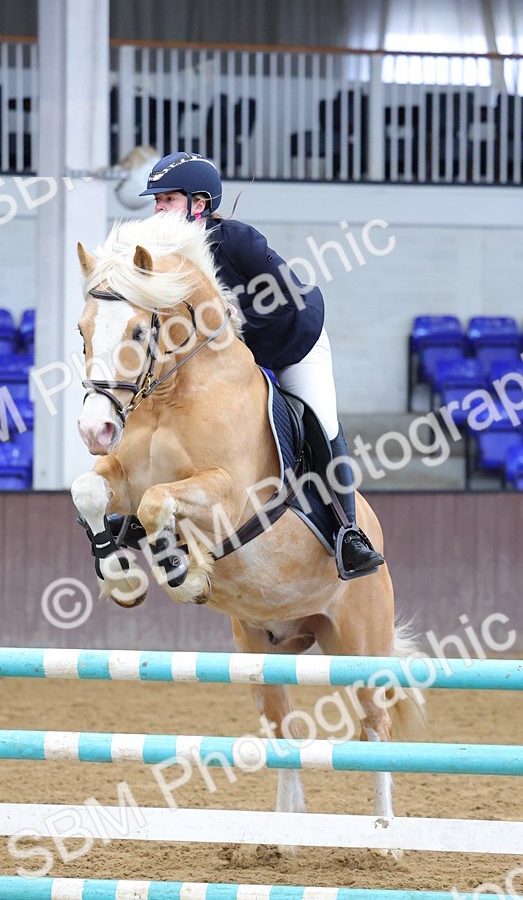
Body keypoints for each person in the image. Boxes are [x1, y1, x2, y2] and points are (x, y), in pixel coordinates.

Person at [139, 151, 384, 580]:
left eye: (167, 200)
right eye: (156, 202)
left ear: (199, 204)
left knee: (320, 422)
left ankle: (349, 533)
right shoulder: (164, 260)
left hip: (292, 343)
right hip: (230, 365)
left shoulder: (236, 241)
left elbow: (283, 294)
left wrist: (234, 328)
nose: (158, 210)